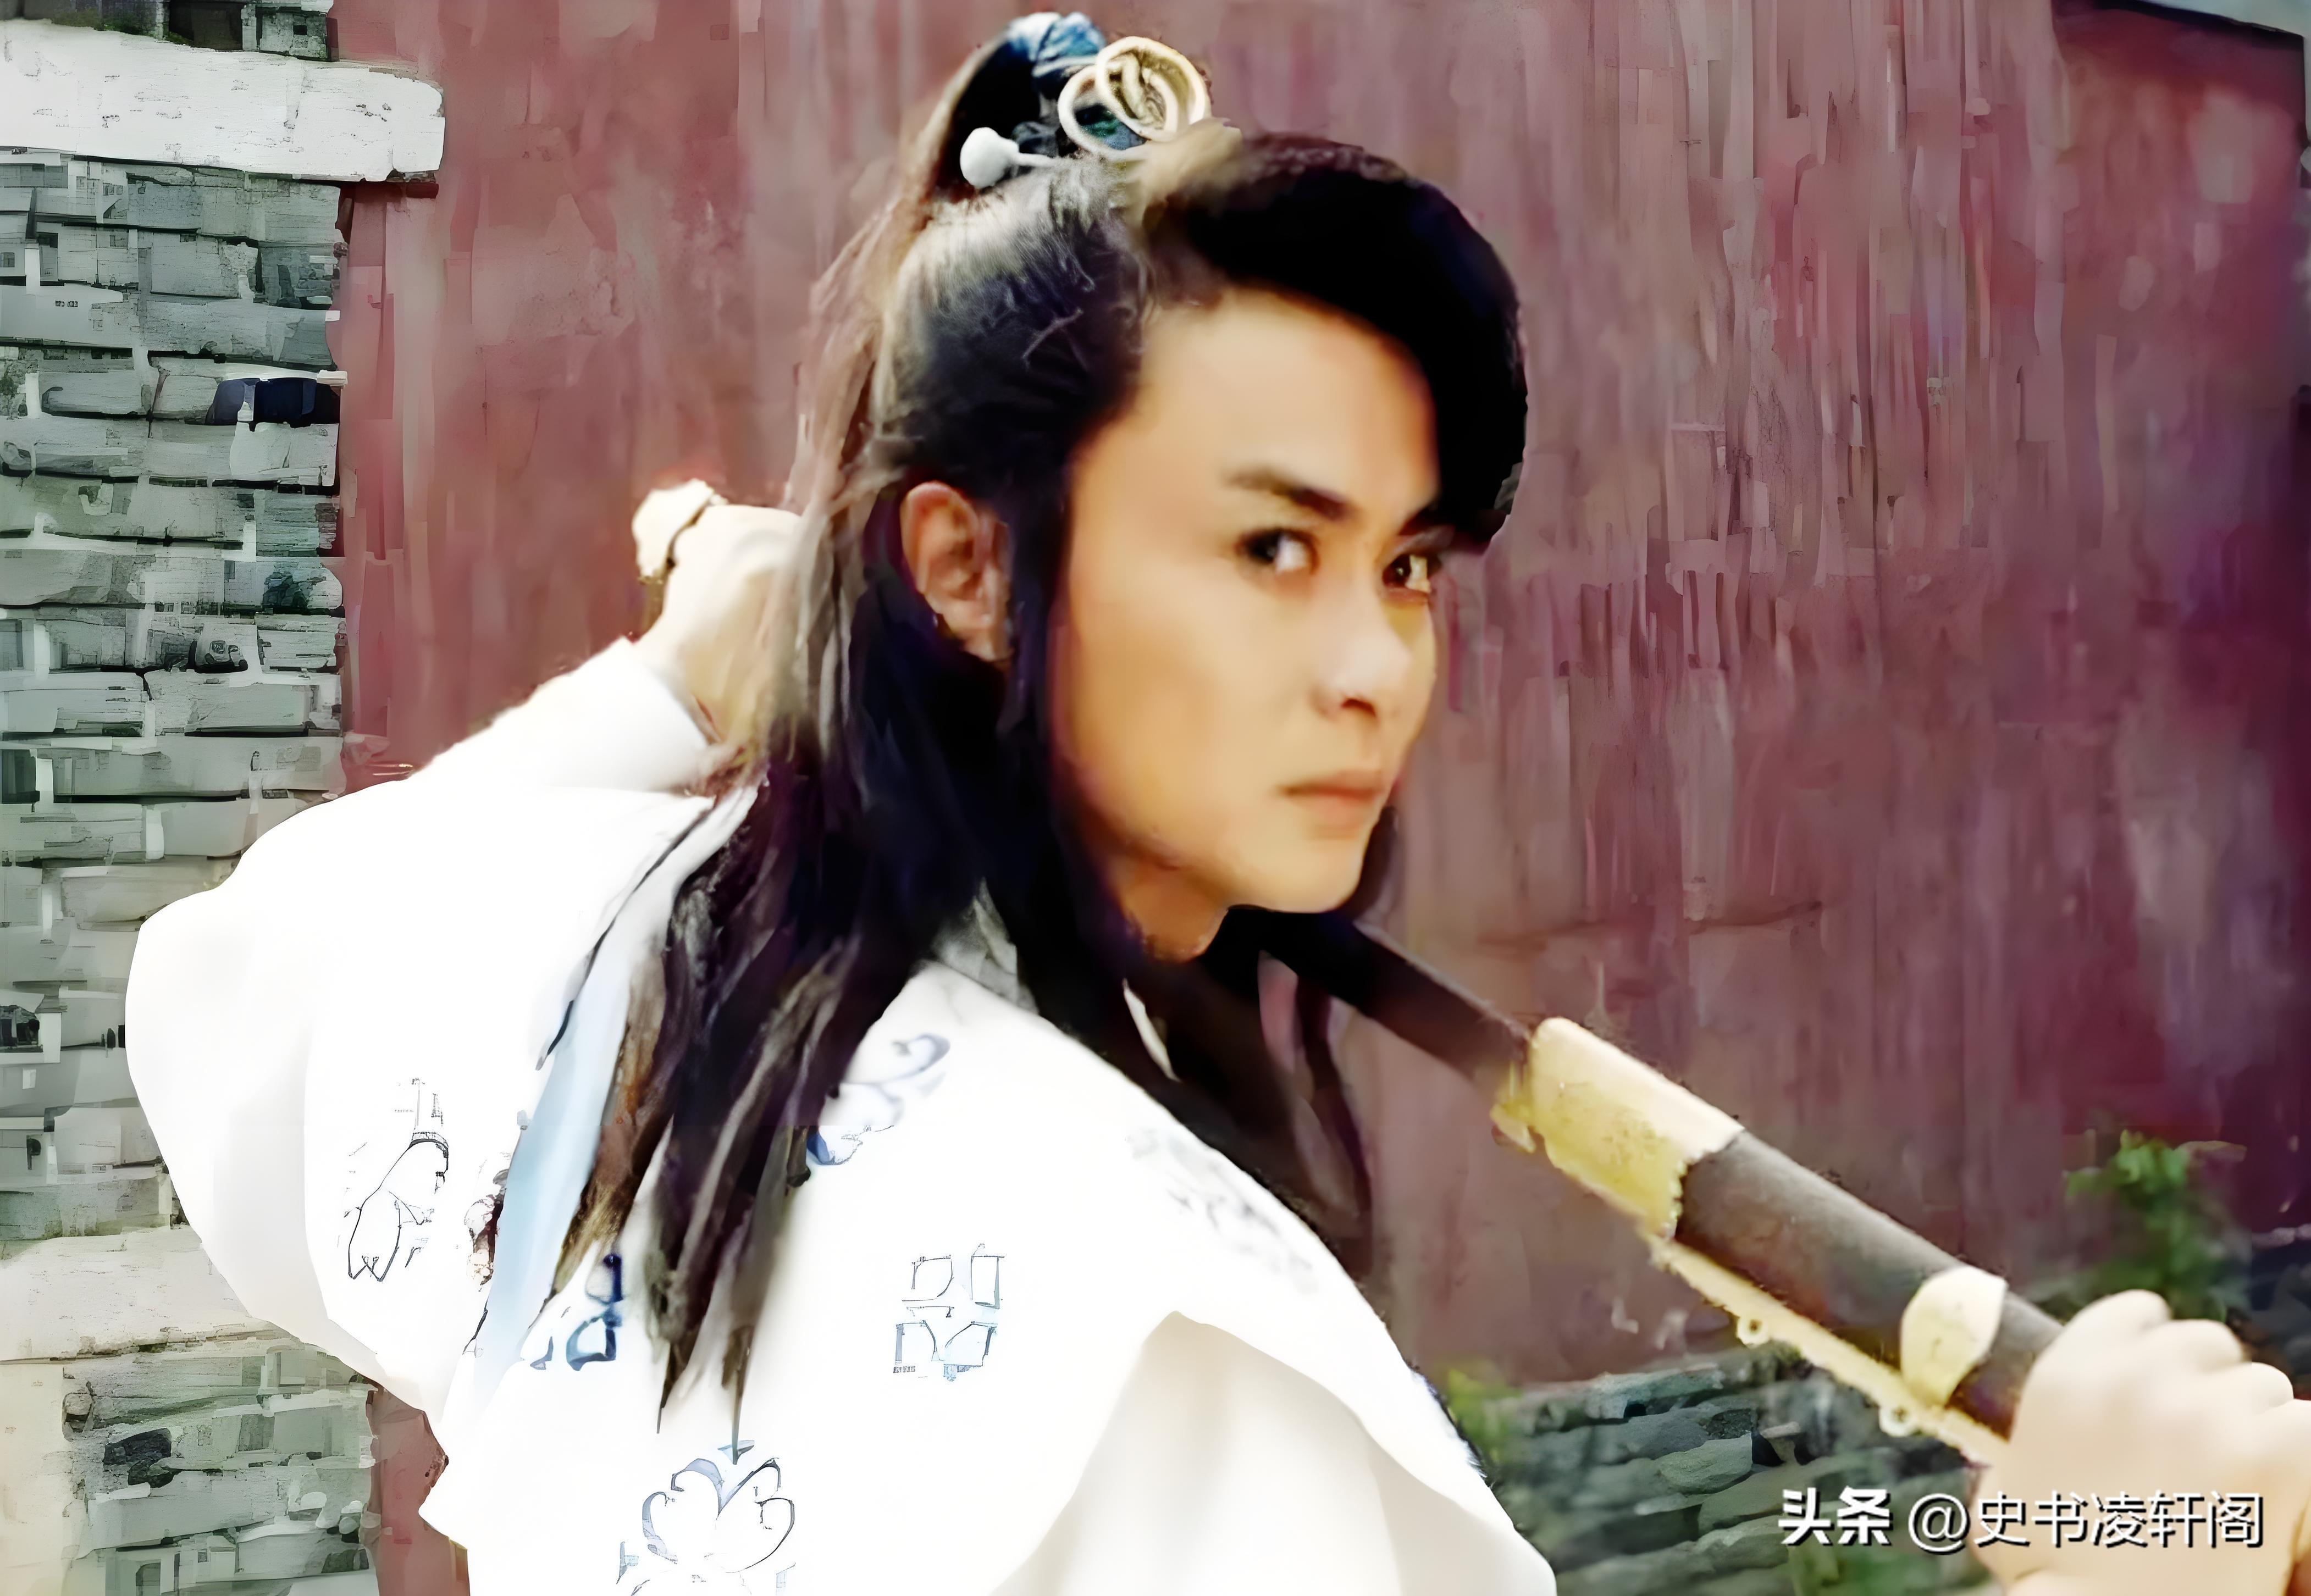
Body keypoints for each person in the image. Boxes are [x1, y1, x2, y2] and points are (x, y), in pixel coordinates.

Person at [124, 14, 2311, 1596]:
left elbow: (260, 966)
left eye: (1407, 564)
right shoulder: (1156, 1327)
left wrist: (678, 682)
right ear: (965, 567)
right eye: (1272, 547)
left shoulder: (632, 978)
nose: (1374, 663)